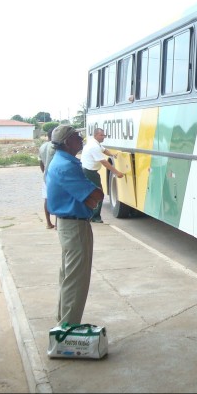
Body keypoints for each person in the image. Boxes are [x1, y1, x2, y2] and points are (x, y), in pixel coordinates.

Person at [46, 125, 104, 326]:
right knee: (76, 280)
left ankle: (63, 322)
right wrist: (95, 195)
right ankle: (67, 328)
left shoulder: (62, 161)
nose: (81, 139)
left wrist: (91, 197)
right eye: (77, 136)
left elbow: (91, 198)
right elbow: (95, 195)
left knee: (69, 277)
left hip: (69, 225)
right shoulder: (66, 166)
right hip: (74, 227)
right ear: (67, 142)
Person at [80, 128, 123, 224]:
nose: (103, 137)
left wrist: (112, 155)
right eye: (101, 135)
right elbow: (104, 162)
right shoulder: (94, 146)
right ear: (95, 135)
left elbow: (104, 150)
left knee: (91, 194)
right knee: (99, 194)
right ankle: (95, 217)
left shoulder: (95, 144)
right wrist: (116, 172)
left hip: (89, 171)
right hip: (90, 172)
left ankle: (89, 215)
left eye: (104, 135)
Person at [38, 129, 56, 229]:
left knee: (46, 199)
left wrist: (44, 172)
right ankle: (58, 223)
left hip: (46, 176)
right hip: (55, 176)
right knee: (59, 198)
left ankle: (48, 223)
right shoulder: (55, 146)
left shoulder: (42, 146)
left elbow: (40, 162)